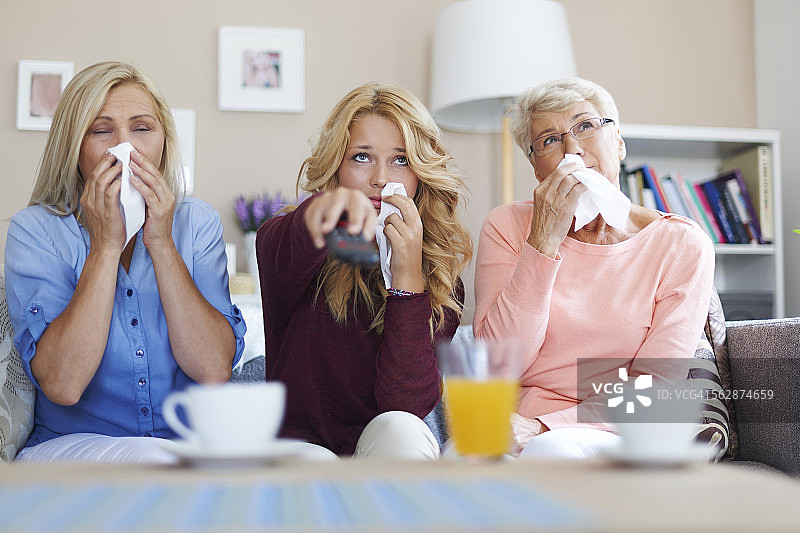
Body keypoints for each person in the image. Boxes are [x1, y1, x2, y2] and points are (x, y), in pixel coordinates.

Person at [4, 61, 245, 462]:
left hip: (185, 448)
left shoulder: (197, 222)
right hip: (71, 445)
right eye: (102, 131)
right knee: (155, 464)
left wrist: (162, 244)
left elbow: (212, 372)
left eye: (142, 128)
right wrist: (104, 247)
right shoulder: (37, 231)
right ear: (74, 146)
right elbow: (63, 384)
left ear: (164, 140)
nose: (126, 149)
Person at [473, 77, 715, 458]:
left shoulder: (681, 244)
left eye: (585, 126)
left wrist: (545, 427)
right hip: (511, 426)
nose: (572, 149)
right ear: (537, 169)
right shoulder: (506, 225)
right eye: (550, 140)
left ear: (618, 143)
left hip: (615, 432)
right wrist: (543, 242)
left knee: (552, 452)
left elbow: (654, 388)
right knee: (460, 464)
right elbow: (497, 365)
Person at [256, 82, 473, 459]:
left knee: (404, 428)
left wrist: (407, 281)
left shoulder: (439, 279)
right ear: (337, 165)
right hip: (300, 451)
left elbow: (405, 406)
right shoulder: (286, 241)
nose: (380, 178)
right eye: (361, 157)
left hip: (383, 448)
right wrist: (328, 208)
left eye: (401, 160)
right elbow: (298, 235)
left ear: (421, 174)